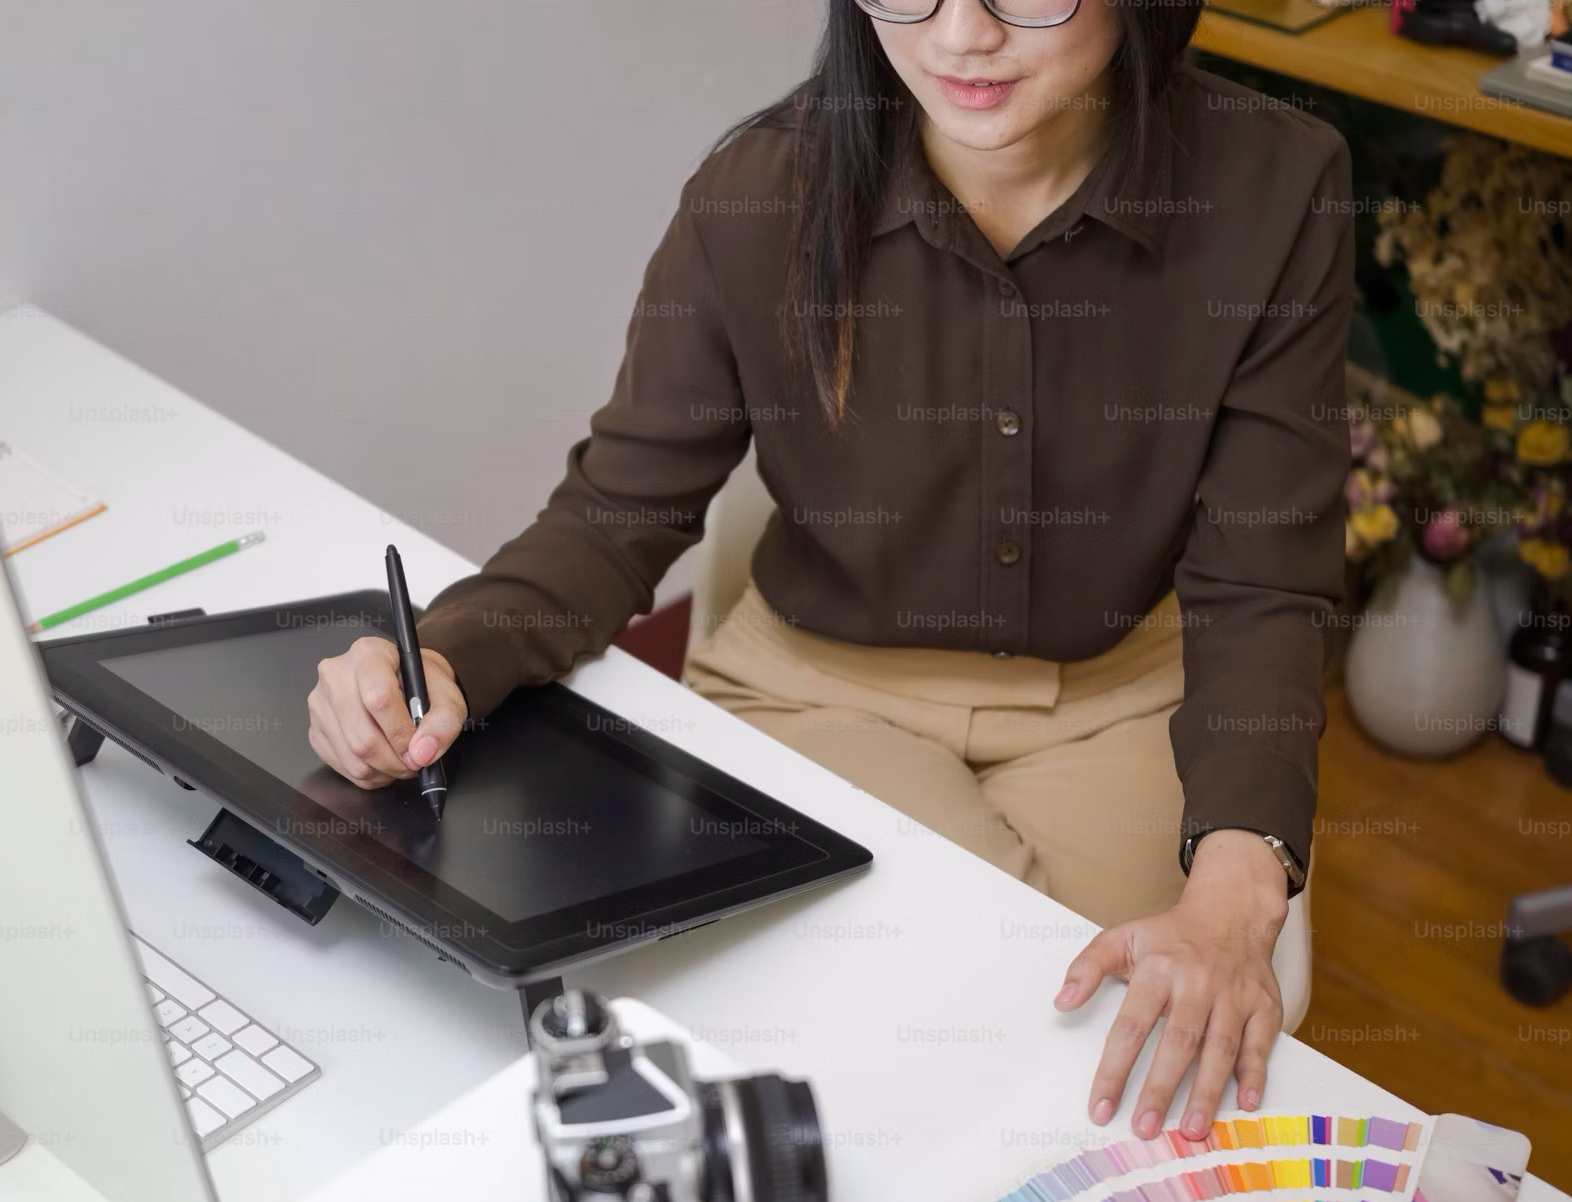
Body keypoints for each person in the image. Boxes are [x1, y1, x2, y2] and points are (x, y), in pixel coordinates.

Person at [306, 0, 1349, 1144]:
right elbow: (616, 512)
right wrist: (444, 655)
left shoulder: (1274, 185)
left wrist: (1237, 891)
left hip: (1118, 698)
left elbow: (1262, 581)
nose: (958, 35)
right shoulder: (755, 196)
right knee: (899, 1035)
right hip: (820, 690)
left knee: (1098, 1074)